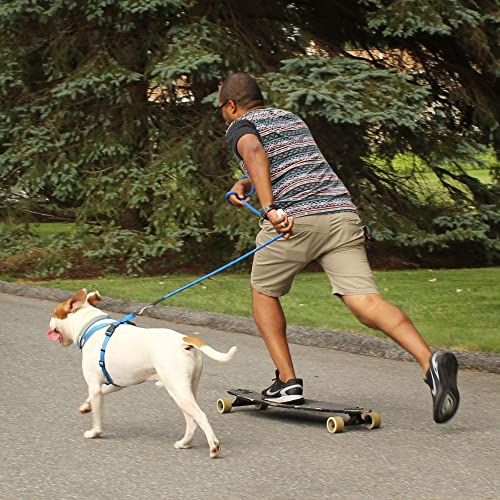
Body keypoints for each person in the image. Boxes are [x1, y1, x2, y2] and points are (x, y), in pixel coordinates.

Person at [218, 72, 459, 423]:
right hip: (342, 215)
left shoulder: (240, 126)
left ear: (231, 105)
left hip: (295, 220)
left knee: (263, 292)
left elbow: (254, 150)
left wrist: (269, 207)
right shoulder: (290, 118)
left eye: (221, 109)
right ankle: (429, 361)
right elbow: (288, 162)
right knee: (365, 303)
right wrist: (245, 184)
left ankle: (287, 382)